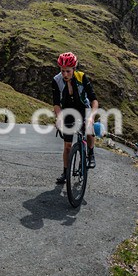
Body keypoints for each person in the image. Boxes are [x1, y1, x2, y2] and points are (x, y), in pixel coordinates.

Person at [52, 51, 99, 184]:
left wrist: (91, 117)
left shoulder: (82, 77)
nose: (65, 74)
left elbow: (94, 100)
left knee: (89, 128)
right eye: (62, 71)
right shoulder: (56, 81)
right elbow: (56, 103)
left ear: (74, 69)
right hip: (67, 111)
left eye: (68, 71)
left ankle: (91, 153)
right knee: (67, 146)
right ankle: (65, 173)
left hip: (84, 108)